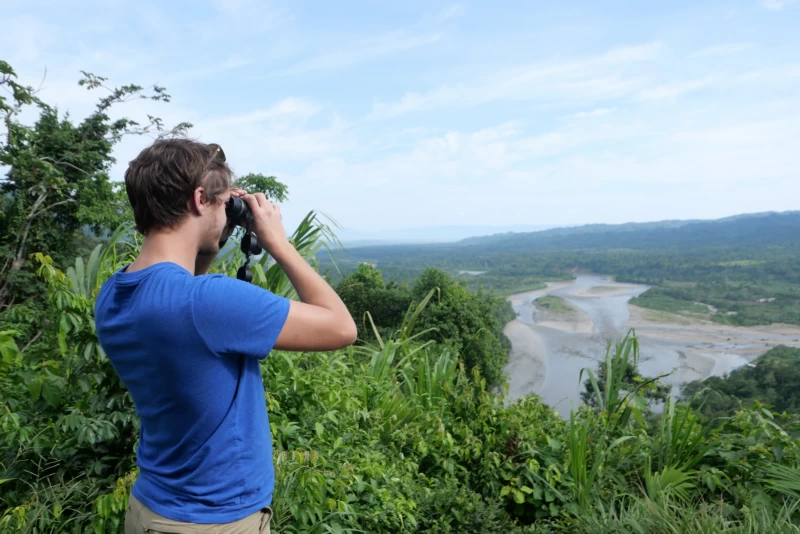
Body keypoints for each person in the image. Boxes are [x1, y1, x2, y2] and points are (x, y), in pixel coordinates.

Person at [94, 138, 357, 533]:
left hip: (149, 509)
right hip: (214, 520)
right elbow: (341, 327)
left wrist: (214, 231)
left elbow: (184, 299)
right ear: (200, 199)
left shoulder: (114, 293)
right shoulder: (208, 301)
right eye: (220, 203)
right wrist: (278, 243)